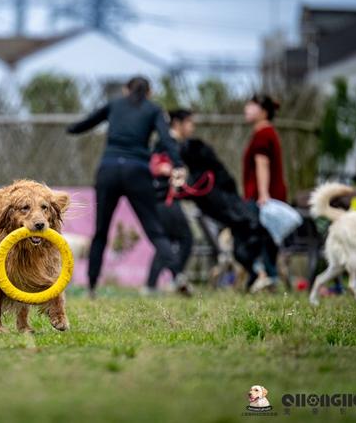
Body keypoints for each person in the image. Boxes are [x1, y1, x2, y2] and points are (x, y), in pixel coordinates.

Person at [67, 76, 186, 297]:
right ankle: (178, 275)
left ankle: (91, 287)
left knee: (101, 231)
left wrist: (71, 129)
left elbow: (88, 122)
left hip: (109, 169)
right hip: (137, 172)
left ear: (125, 90)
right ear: (149, 92)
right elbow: (167, 139)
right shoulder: (154, 109)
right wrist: (178, 164)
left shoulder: (115, 104)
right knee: (154, 229)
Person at [161, 109, 265, 290]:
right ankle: (259, 276)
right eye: (190, 123)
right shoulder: (208, 175)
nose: (192, 127)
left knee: (243, 252)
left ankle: (263, 276)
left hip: (242, 222)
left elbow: (191, 191)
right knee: (241, 253)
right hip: (238, 220)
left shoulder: (205, 179)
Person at [242, 94, 287, 291]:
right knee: (266, 237)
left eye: (252, 106)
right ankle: (266, 278)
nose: (247, 109)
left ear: (263, 111)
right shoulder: (265, 132)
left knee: (262, 237)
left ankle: (268, 276)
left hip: (263, 196)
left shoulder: (263, 134)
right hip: (267, 194)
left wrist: (263, 194)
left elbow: (262, 164)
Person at [151, 110, 195, 295]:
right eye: (190, 122)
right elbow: (154, 164)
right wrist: (167, 169)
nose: (192, 127)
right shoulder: (166, 142)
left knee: (165, 244)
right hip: (165, 199)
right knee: (186, 238)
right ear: (177, 123)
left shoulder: (172, 143)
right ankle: (178, 278)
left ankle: (150, 285)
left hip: (163, 200)